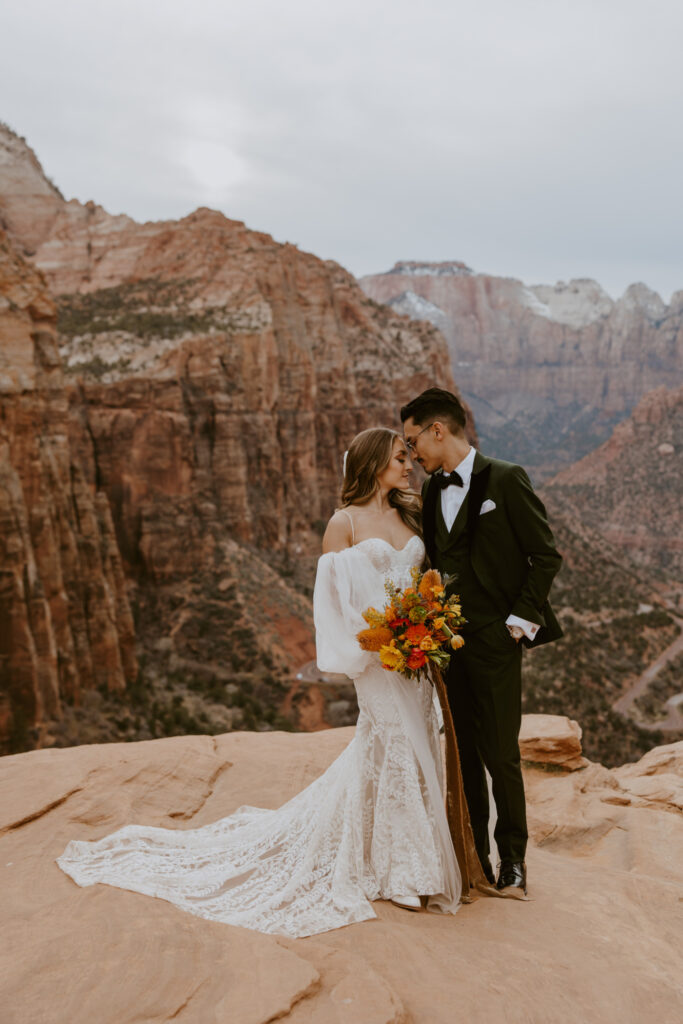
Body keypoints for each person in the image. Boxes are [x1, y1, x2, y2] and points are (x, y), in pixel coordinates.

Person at [56, 427, 462, 938]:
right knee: (395, 743)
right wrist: (379, 645)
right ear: (373, 462)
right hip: (381, 659)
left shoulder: (411, 513)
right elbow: (331, 605)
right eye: (401, 458)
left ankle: (398, 852)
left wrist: (425, 628)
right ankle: (403, 871)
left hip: (418, 659)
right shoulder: (344, 524)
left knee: (414, 743)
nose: (409, 466)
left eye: (409, 457)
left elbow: (430, 578)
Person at [401, 387, 563, 896]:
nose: (412, 456)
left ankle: (513, 862)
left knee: (500, 754)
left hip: (496, 639)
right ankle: (476, 860)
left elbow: (545, 556)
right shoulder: (431, 491)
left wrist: (517, 624)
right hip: (447, 646)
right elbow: (433, 563)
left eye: (413, 443)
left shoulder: (507, 478)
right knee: (463, 755)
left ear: (438, 430)